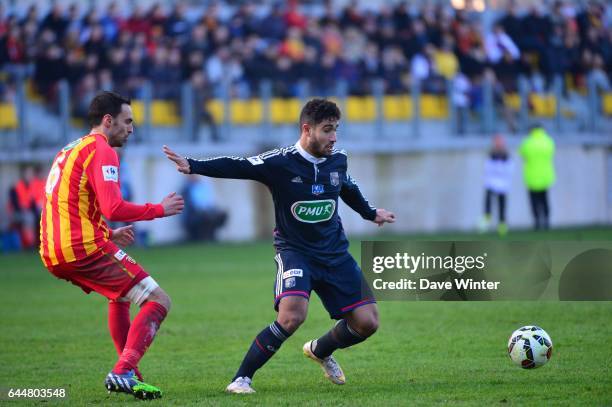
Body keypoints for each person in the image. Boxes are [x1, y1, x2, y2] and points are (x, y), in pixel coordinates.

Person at [163, 98, 396, 394]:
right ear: (307, 129)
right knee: (291, 316)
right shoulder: (280, 162)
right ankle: (241, 379)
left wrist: (370, 213)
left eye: (336, 129)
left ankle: (320, 350)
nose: (334, 137)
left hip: (335, 253)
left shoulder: (338, 160)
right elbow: (240, 166)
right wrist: (193, 164)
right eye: (327, 130)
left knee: (367, 323)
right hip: (295, 251)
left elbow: (346, 186)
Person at [39, 91, 184, 400]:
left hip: (53, 250)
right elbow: (113, 207)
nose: (131, 128)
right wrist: (158, 209)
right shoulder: (102, 150)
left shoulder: (71, 149)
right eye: (127, 121)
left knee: (120, 297)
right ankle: (123, 371)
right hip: (80, 247)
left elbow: (69, 202)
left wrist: (105, 234)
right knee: (159, 300)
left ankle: (131, 375)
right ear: (108, 121)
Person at [519, 124, 556, 230]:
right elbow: (552, 153)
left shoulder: (528, 142)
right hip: (545, 176)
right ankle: (547, 221)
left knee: (534, 201)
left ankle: (537, 222)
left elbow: (523, 154)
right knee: (545, 200)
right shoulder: (548, 141)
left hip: (532, 176)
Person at [478, 135, 513, 236]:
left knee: (502, 204)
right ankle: (485, 222)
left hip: (503, 184)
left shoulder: (506, 155)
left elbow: (509, 169)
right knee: (488, 203)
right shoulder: (491, 154)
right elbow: (487, 169)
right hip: (491, 183)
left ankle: (502, 225)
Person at [181, 175, 228, 241]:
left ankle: (210, 236)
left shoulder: (203, 187)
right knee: (207, 216)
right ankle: (204, 237)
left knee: (222, 214)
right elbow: (191, 207)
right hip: (193, 216)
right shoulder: (186, 189)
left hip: (206, 212)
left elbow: (210, 202)